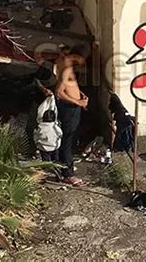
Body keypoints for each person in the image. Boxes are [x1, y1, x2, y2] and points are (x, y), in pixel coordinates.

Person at [55, 46, 89, 186]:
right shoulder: (66, 68)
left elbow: (70, 85)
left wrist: (80, 95)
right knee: (68, 139)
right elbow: (59, 92)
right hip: (70, 108)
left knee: (71, 137)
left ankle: (65, 167)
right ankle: (68, 174)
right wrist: (78, 101)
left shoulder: (66, 68)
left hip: (74, 107)